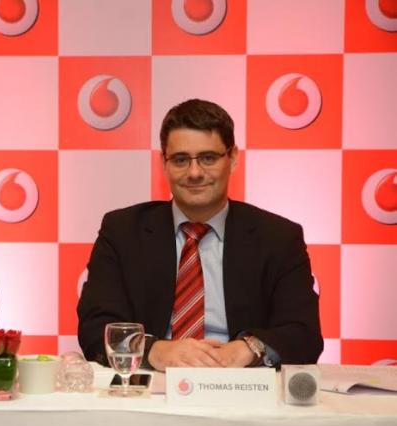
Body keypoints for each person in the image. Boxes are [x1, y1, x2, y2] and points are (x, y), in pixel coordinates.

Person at [77, 99, 322, 371]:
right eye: (181, 160)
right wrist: (154, 350)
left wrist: (249, 349)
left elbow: (304, 335)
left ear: (233, 158)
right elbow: (94, 328)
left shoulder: (278, 237)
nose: (194, 173)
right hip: (151, 383)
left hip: (240, 384)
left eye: (208, 158)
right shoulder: (122, 231)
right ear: (163, 163)